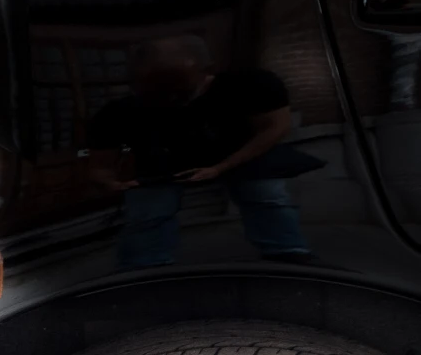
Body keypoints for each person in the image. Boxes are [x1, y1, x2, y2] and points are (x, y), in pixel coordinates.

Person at [89, 36, 316, 269]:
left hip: (240, 152)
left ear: (205, 71)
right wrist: (109, 182)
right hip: (162, 162)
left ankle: (286, 252)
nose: (169, 98)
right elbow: (98, 164)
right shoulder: (118, 112)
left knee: (264, 194)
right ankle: (144, 266)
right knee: (148, 211)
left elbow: (276, 127)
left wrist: (220, 168)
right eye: (156, 90)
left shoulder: (252, 84)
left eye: (180, 89)